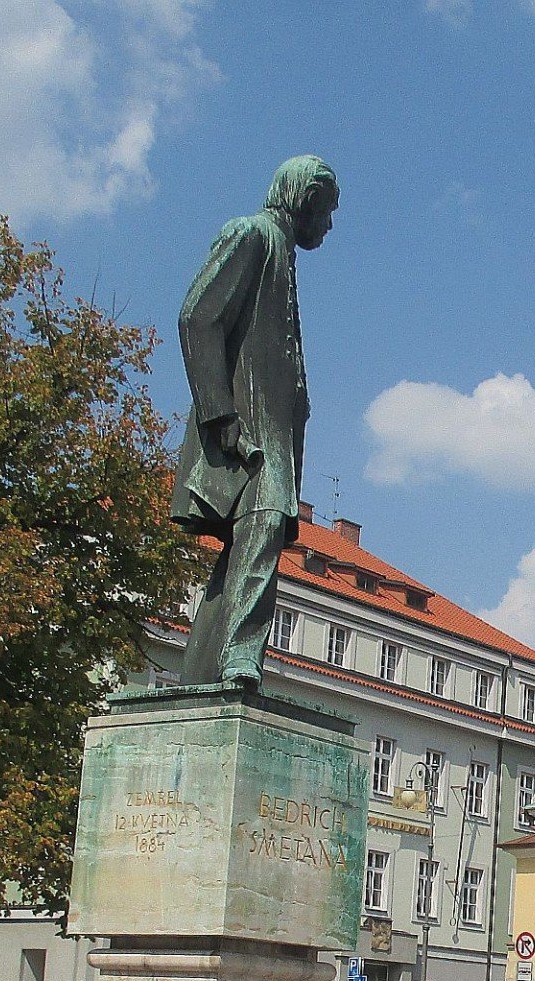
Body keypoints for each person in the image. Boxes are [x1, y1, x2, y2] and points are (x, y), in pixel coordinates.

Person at [171, 156, 340, 687]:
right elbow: (198, 318)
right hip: (248, 430)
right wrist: (220, 415)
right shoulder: (251, 236)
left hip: (274, 433)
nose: (329, 226)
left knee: (249, 544)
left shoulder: (282, 258)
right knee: (265, 523)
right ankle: (242, 657)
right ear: (306, 202)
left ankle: (205, 669)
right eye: (327, 212)